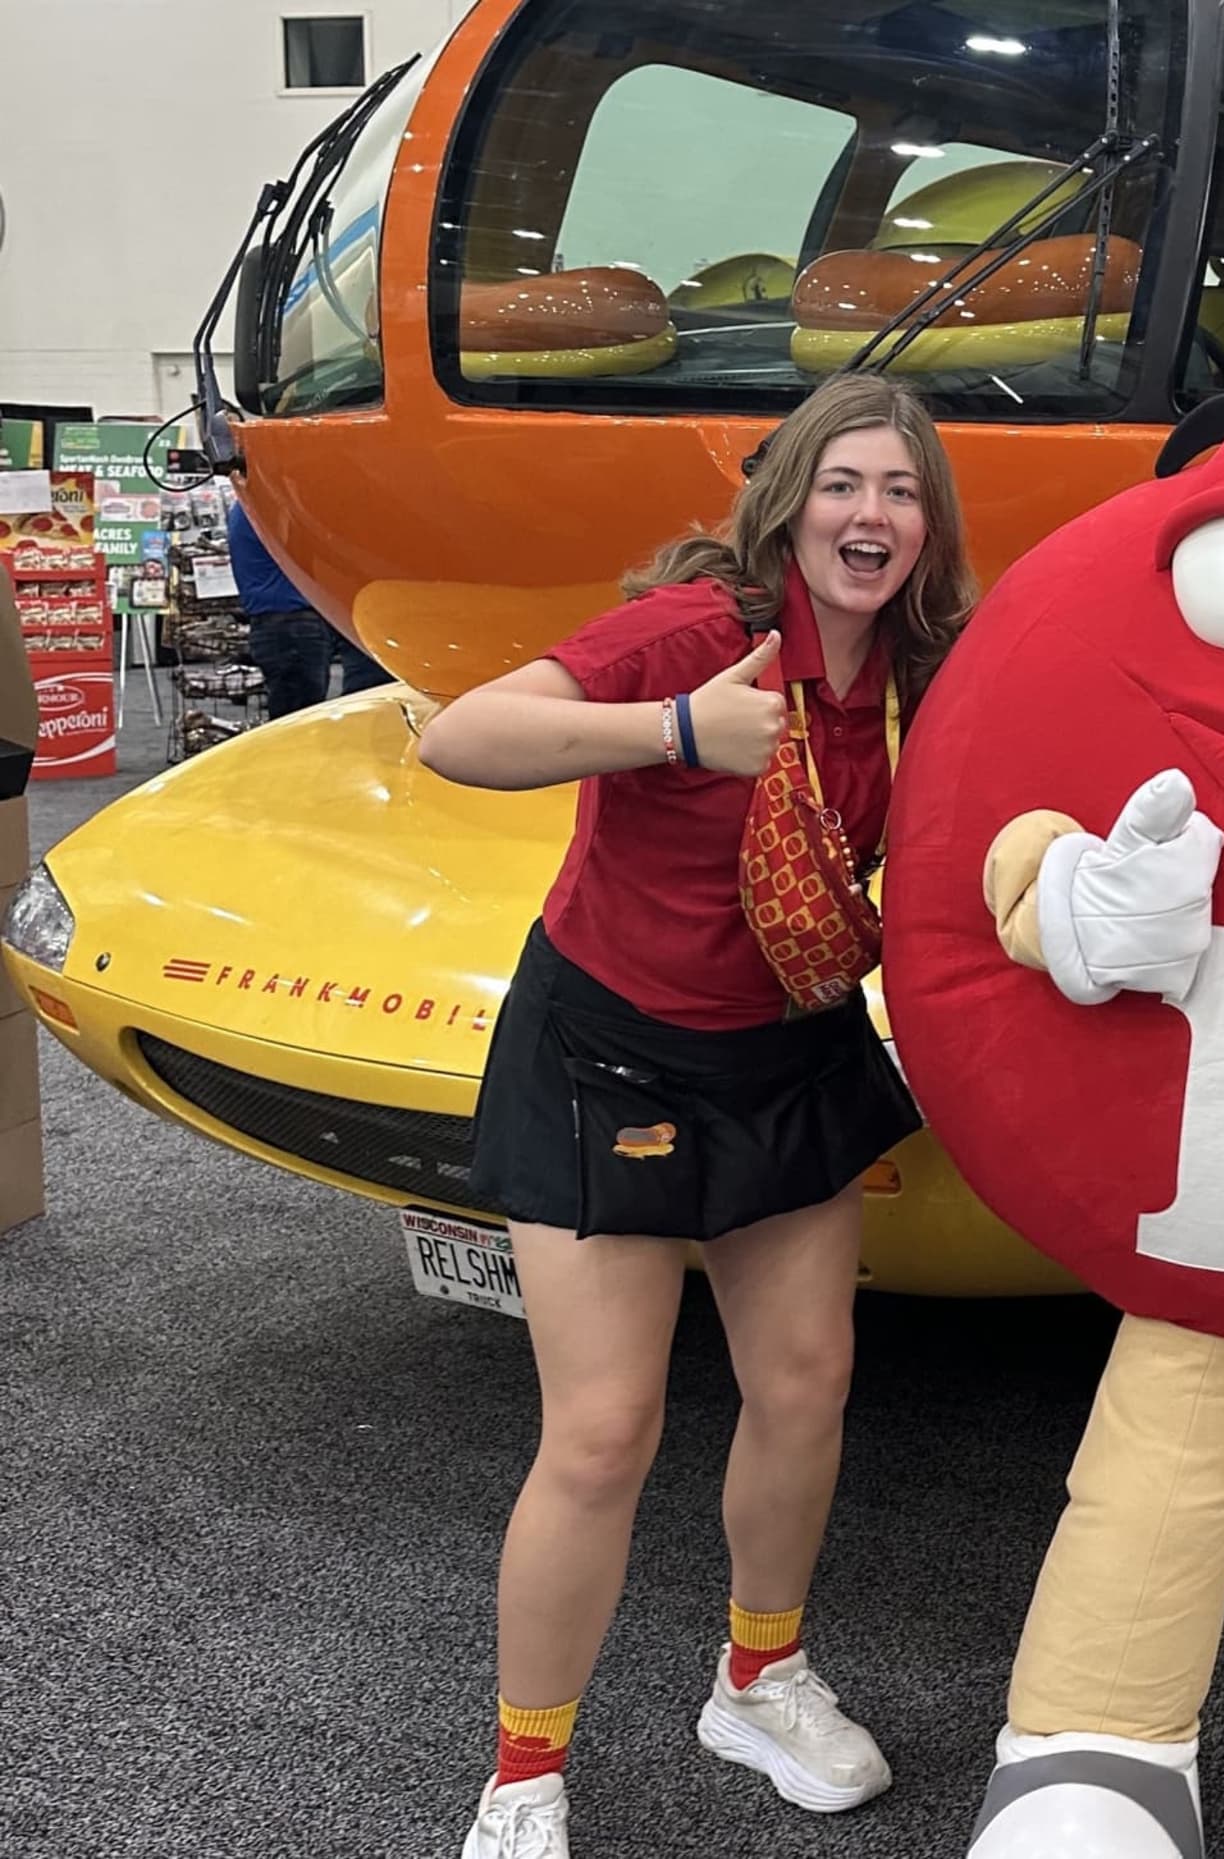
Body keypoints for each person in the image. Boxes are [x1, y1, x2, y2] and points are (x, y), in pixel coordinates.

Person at [415, 373, 973, 1859]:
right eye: (847, 483)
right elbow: (460, 737)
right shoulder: (698, 636)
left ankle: (759, 1675)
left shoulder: (926, 670)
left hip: (787, 1048)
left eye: (904, 490)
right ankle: (523, 1772)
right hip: (608, 1052)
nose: (875, 514)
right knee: (602, 1432)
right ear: (787, 499)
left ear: (930, 526)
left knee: (805, 1384)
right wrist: (668, 728)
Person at [224, 495, 335, 716]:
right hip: (293, 626)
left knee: (293, 711)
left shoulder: (248, 507)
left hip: (278, 625)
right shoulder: (270, 507)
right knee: (301, 716)